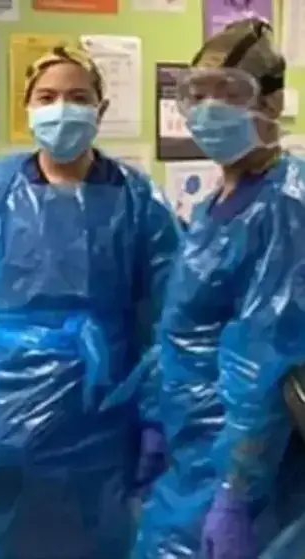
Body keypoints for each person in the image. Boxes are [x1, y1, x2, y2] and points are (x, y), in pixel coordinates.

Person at [0, 45, 179, 559]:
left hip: (104, 411)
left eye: (78, 97)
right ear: (27, 108)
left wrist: (157, 415)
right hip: (5, 410)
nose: (62, 109)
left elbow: (169, 313)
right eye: (47, 97)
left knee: (101, 539)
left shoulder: (137, 198)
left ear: (101, 108)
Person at [131, 18, 305, 558]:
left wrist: (237, 491)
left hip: (249, 470)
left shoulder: (286, 205)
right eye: (197, 94)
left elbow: (267, 358)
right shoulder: (215, 205)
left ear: (272, 103)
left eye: (228, 93)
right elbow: (182, 325)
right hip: (193, 454)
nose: (208, 110)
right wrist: (157, 417)